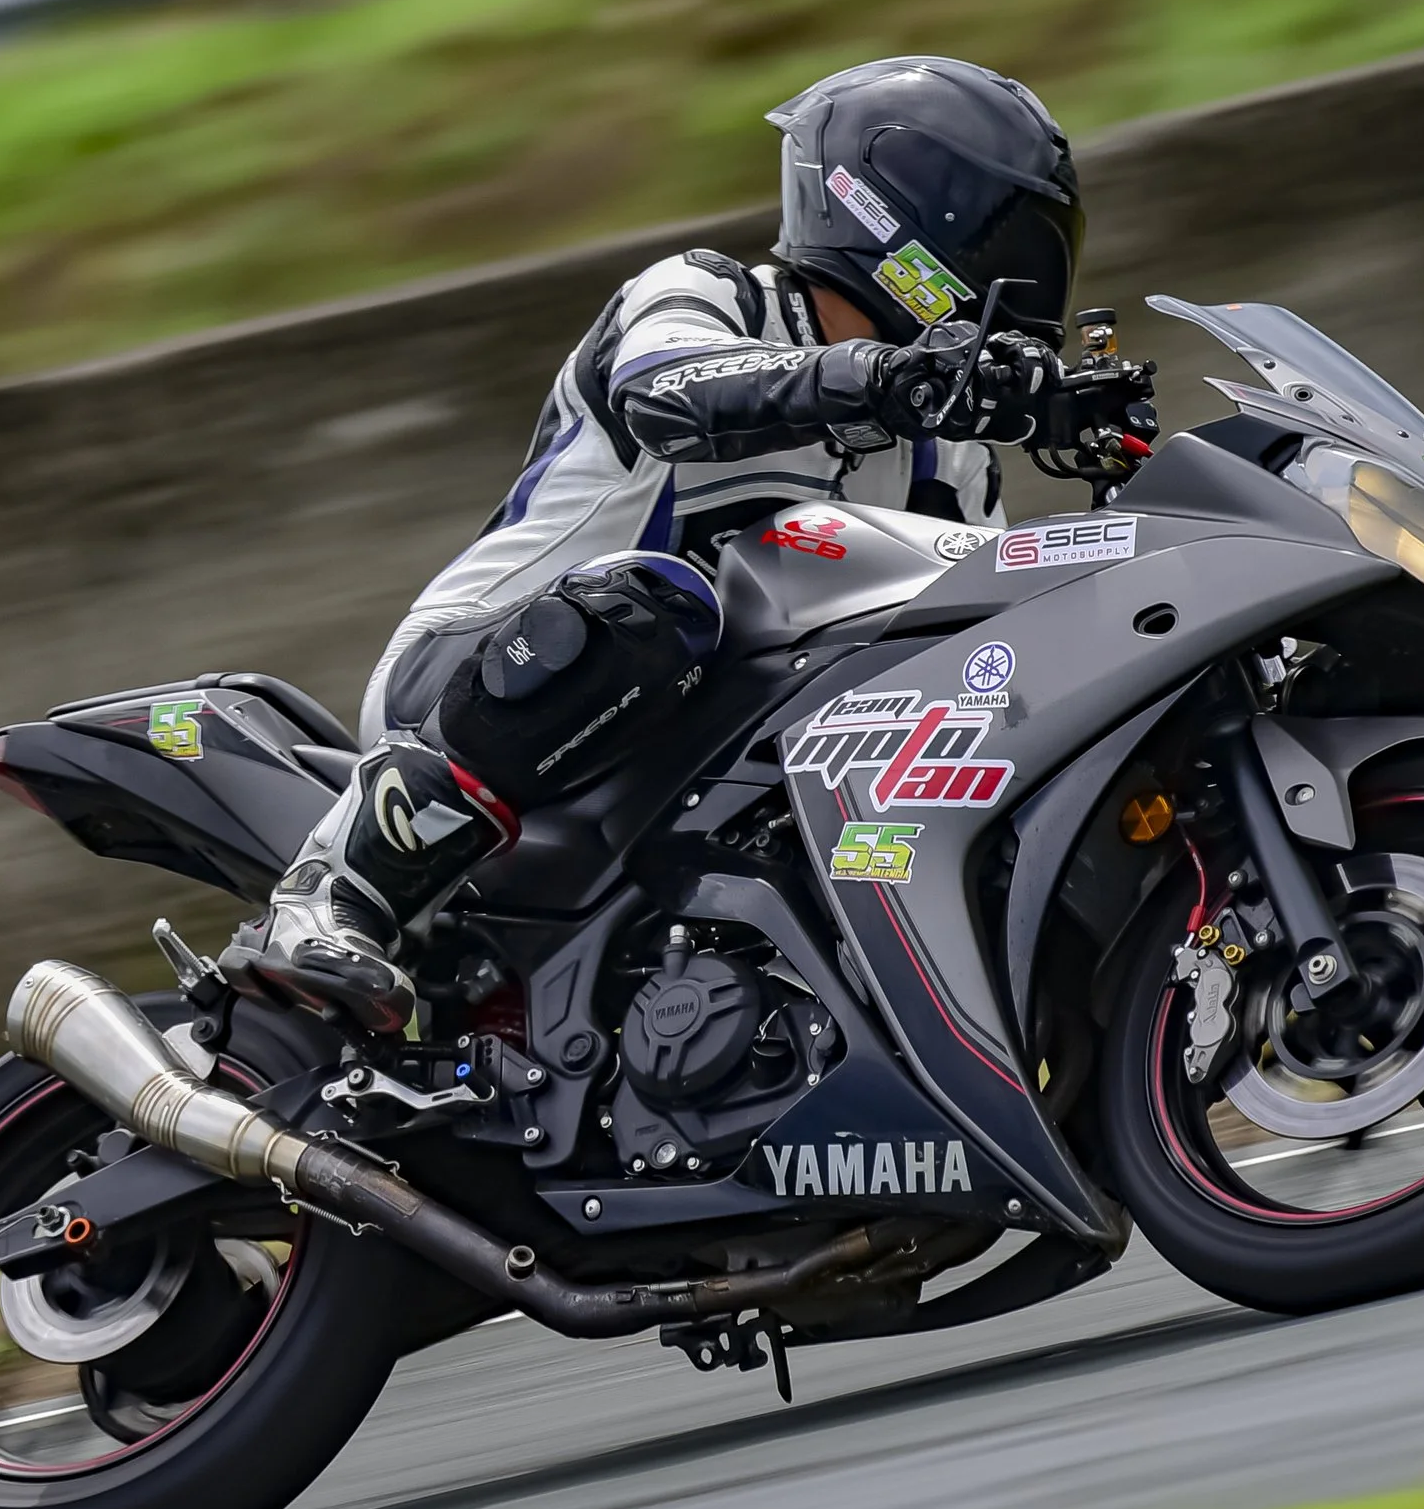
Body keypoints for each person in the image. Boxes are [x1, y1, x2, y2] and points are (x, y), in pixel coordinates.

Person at [220, 55, 1086, 1033]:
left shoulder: (946, 452)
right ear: (898, 216)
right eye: (1006, 238)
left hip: (685, 754)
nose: (1027, 282)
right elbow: (664, 388)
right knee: (658, 604)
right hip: (488, 676)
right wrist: (878, 378)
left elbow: (982, 643)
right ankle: (333, 894)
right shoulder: (711, 293)